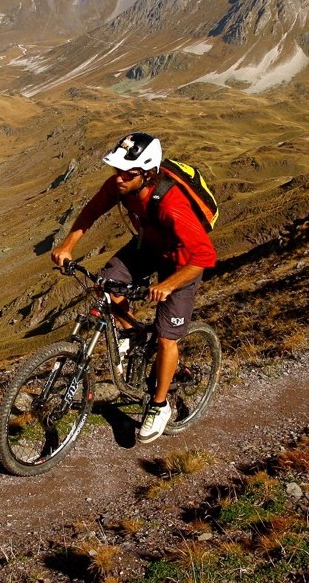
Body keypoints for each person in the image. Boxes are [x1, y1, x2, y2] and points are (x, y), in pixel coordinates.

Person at [50, 132, 217, 444]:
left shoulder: (172, 205)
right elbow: (92, 210)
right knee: (106, 285)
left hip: (183, 261)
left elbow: (205, 256)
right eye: (116, 171)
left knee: (168, 338)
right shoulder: (122, 187)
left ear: (147, 173)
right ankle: (133, 334)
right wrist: (67, 245)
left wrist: (168, 285)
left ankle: (159, 405)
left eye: (127, 173)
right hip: (147, 245)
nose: (119, 178)